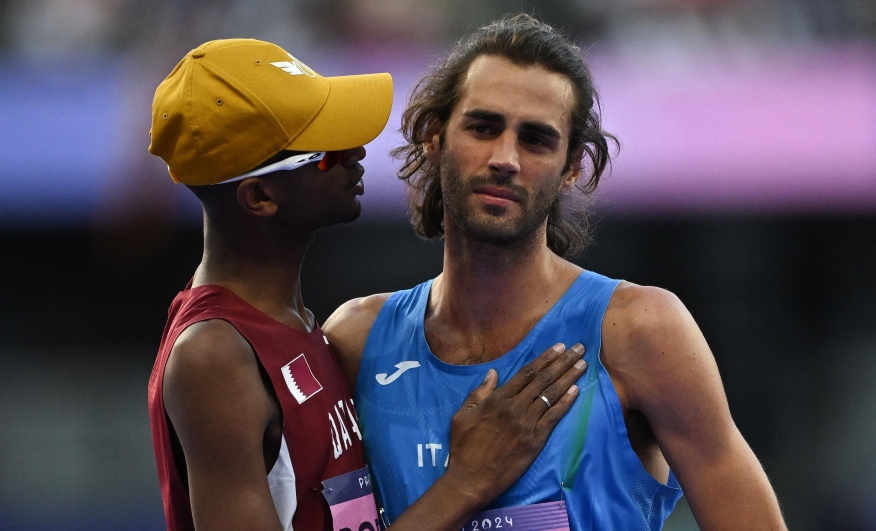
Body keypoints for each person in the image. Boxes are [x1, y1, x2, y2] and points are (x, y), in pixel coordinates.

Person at [324, 15, 788, 531]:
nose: (505, 158)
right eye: (483, 127)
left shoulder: (638, 331)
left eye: (536, 139)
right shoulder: (356, 341)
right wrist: (466, 482)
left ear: (572, 166)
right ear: (434, 137)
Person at [145, 38, 589, 531]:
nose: (354, 151)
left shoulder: (299, 324)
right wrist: (467, 480)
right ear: (261, 196)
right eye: (324, 152)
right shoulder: (213, 355)